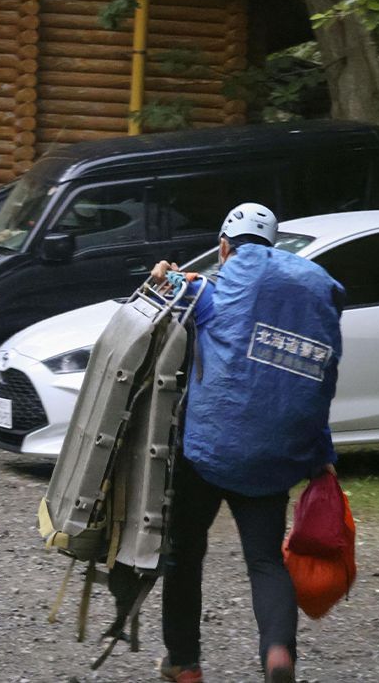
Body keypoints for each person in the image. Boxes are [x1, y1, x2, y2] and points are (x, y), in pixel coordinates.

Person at [152, 202, 343, 683]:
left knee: (184, 553)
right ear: (272, 249)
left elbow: (165, 290)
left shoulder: (214, 293)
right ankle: (278, 653)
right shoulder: (303, 304)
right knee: (264, 560)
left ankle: (184, 664)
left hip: (209, 454)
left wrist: (163, 273)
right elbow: (312, 386)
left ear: (223, 248)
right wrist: (322, 458)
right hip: (272, 459)